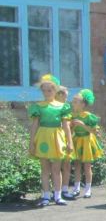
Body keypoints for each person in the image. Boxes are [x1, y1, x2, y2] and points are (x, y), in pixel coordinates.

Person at [28, 74, 73, 207]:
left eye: (50, 90)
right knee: (45, 169)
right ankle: (46, 196)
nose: (47, 93)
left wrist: (69, 141)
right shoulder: (38, 106)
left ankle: (58, 196)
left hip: (57, 138)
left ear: (55, 91)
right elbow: (35, 125)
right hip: (43, 138)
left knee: (56, 169)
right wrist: (31, 142)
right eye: (44, 90)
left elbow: (66, 126)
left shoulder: (61, 107)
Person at [69, 89, 103, 199]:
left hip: (87, 141)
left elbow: (94, 131)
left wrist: (82, 125)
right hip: (77, 140)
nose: (73, 103)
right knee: (77, 165)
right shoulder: (72, 115)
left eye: (76, 101)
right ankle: (76, 188)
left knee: (87, 166)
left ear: (83, 104)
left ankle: (88, 189)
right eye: (73, 101)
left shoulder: (88, 116)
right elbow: (70, 129)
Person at [55, 85, 75, 200]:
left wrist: (70, 141)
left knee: (67, 164)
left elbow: (68, 126)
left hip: (65, 137)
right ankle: (54, 190)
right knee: (54, 166)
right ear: (59, 95)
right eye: (65, 96)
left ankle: (65, 189)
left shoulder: (66, 107)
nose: (66, 99)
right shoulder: (51, 107)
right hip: (54, 138)